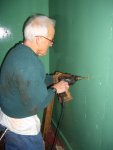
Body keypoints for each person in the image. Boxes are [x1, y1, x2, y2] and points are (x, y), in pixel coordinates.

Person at [0, 14, 69, 150]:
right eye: (50, 40)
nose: (51, 44)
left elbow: (29, 80)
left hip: (7, 112)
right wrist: (56, 89)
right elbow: (37, 105)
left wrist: (52, 78)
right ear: (38, 39)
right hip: (20, 126)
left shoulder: (18, 51)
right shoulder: (30, 63)